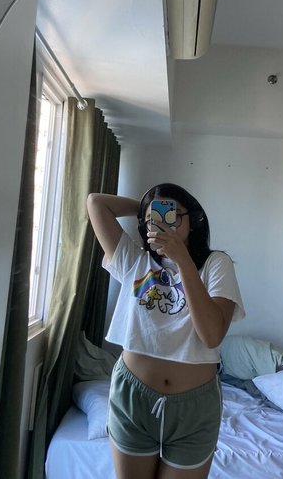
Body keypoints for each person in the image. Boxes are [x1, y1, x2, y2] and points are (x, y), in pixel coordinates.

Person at [87, 183, 245, 479]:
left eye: (172, 214)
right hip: (133, 397)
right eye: (153, 218)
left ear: (194, 220)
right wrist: (147, 206)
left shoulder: (216, 264)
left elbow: (211, 335)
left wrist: (182, 259)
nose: (161, 222)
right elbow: (96, 203)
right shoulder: (134, 259)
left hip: (194, 408)